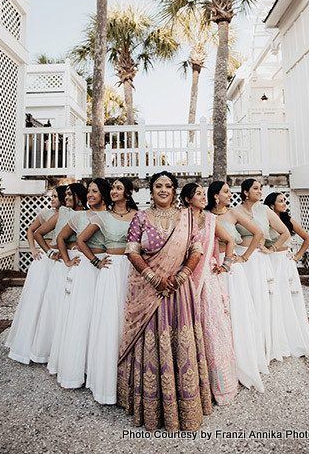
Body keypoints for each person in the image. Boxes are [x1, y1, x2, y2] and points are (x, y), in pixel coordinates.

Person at [117, 171, 212, 432]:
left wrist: (182, 275)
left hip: (178, 290)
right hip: (148, 290)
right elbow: (131, 250)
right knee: (150, 342)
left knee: (178, 342)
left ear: (174, 190)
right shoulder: (140, 217)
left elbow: (196, 249)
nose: (163, 190)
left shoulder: (186, 217)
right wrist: (152, 277)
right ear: (151, 190)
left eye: (168, 186)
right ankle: (149, 406)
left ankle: (184, 406)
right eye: (158, 185)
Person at [77, 178, 138, 405]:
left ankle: (130, 379)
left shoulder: (138, 216)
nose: (113, 191)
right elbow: (82, 241)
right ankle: (106, 383)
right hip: (111, 270)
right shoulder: (102, 217)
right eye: (112, 187)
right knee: (110, 321)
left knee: (129, 320)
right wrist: (96, 262)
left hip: (133, 269)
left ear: (129, 192)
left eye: (119, 188)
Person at [47, 178, 112, 388]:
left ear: (104, 194)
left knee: (101, 317)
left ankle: (97, 366)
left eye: (95, 191)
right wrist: (66, 260)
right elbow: (61, 239)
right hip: (85, 268)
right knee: (81, 315)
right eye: (89, 191)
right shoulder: (78, 215)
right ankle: (77, 368)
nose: (91, 194)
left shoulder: (110, 216)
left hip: (106, 267)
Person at [206, 181, 268, 392]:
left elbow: (258, 233)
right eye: (225, 191)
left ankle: (243, 362)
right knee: (218, 317)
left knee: (237, 314)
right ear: (215, 195)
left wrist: (245, 257)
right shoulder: (204, 215)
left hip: (232, 268)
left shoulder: (233, 214)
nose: (229, 194)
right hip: (213, 269)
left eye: (230, 191)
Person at [181, 183, 238, 405]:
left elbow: (229, 241)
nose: (203, 198)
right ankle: (192, 385)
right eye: (198, 194)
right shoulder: (180, 219)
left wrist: (227, 264)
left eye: (204, 194)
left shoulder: (211, 220)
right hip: (187, 277)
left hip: (209, 278)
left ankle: (221, 386)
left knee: (213, 327)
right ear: (187, 199)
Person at [5, 186, 66, 364]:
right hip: (45, 259)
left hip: (59, 259)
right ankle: (28, 342)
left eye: (56, 196)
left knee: (54, 300)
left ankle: (48, 342)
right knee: (37, 299)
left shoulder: (68, 215)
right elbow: (31, 231)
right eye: (52, 196)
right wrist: (33, 249)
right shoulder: (45, 214)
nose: (52, 199)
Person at [30, 183, 87, 364]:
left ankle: (68, 350)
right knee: (55, 305)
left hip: (80, 262)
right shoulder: (62, 212)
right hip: (62, 262)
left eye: (71, 194)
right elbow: (39, 233)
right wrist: (49, 253)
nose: (67, 197)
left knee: (74, 307)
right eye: (66, 194)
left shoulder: (87, 213)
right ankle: (48, 351)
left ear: (79, 195)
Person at [236, 178, 291, 364]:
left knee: (262, 302)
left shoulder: (266, 211)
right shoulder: (235, 212)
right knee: (244, 303)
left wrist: (272, 249)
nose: (260, 192)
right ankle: (247, 347)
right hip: (241, 260)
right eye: (255, 189)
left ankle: (264, 346)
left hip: (259, 260)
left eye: (261, 189)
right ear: (245, 192)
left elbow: (285, 233)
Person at [264, 192, 309, 357]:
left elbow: (307, 238)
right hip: (270, 261)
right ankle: (277, 341)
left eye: (284, 201)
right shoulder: (265, 220)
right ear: (272, 205)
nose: (284, 203)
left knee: (289, 299)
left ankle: (294, 339)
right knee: (273, 299)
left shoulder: (288, 221)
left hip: (285, 262)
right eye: (280, 201)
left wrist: (297, 256)